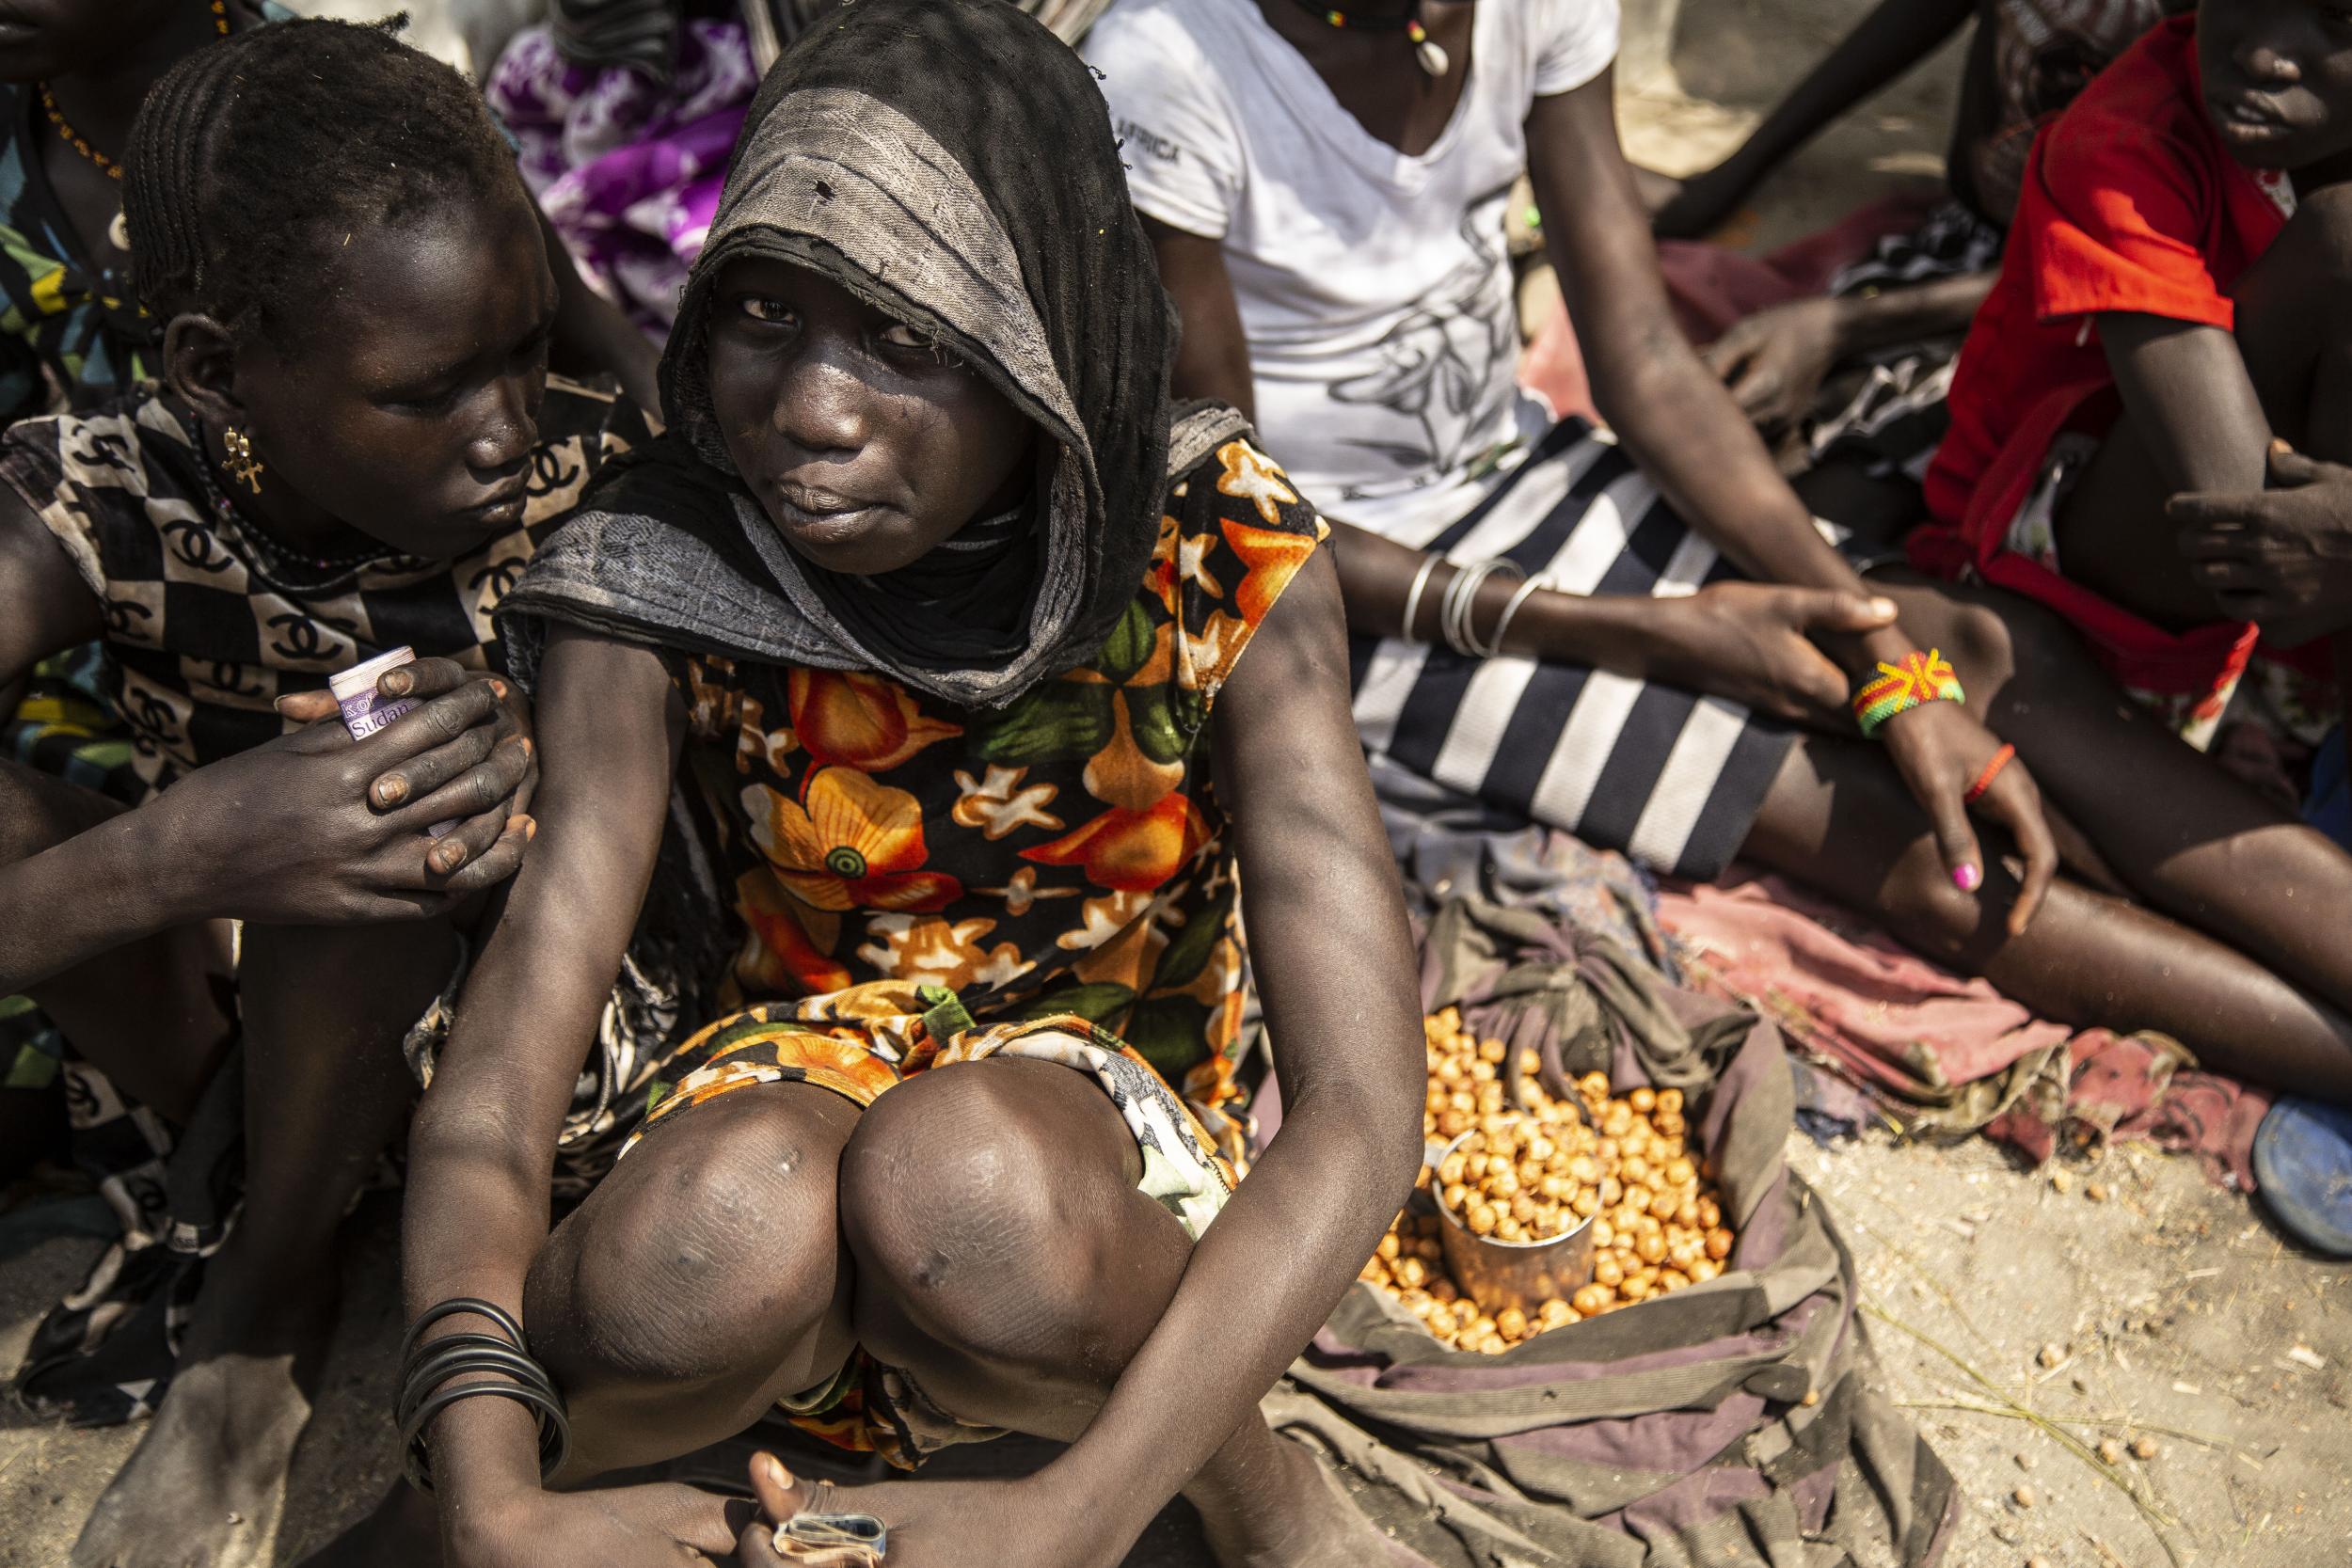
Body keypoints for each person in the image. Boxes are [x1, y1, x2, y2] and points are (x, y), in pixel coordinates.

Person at [362, 5, 1427, 1566]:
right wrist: (484, 1488)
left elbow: (1356, 1112)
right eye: (766, 315)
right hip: (776, 1067)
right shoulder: (666, 556)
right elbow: (506, 1080)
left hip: (1091, 1143)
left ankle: (1254, 1492)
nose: (809, 408)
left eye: (909, 340)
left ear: (1045, 345)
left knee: (965, 1190)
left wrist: (1073, 1515)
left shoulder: (1206, 537)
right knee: (710, 1236)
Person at [1085, 0, 2352, 1100]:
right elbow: (1230, 513)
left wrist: (1878, 652)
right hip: (1333, 601)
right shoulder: (1169, 70)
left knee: (1974, 653)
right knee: (1908, 850)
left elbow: (1640, 360)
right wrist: (1647, 630)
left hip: (1525, 472)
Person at [0, 21, 665, 1568]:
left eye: (524, 351)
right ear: (219, 371)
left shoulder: (598, 477)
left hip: (543, 1044)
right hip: (234, 1021)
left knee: (394, 804)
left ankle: (262, 1308)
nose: (508, 425)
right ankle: (266, 1209)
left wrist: (529, 764)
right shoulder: (105, 486)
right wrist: (181, 849)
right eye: (429, 389)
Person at [1918, 2, 2350, 751]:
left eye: (2338, 18)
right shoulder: (2125, 139)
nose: (2263, 59)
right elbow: (2251, 530)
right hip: (2070, 560)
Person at [1646, 0, 2182, 522]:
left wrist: (1841, 326)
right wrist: (1729, 178)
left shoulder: (2202, 28)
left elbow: (2122, 270)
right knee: (1731, 432)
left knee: (1843, 496)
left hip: (2083, 312)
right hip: (1966, 246)